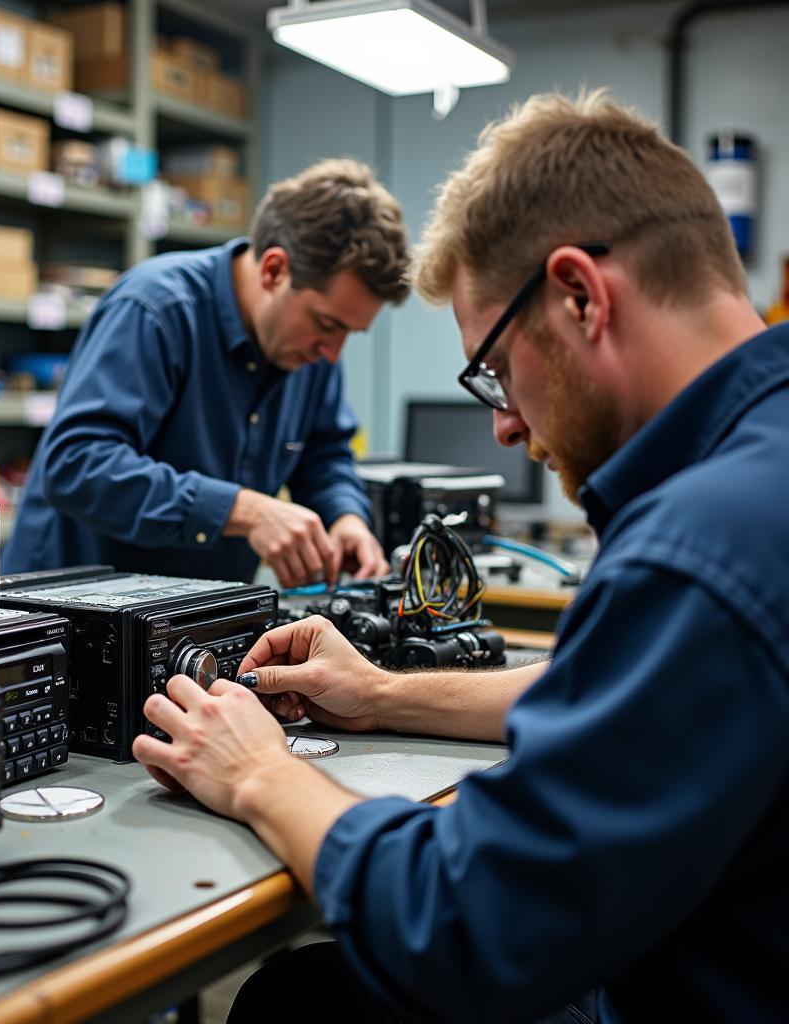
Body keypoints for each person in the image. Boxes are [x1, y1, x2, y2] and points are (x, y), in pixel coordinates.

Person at [132, 89, 789, 1022]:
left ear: (580, 295)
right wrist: (384, 694)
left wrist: (262, 775)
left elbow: (468, 924)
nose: (505, 420)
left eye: (495, 367)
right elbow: (618, 688)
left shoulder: (699, 546)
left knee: (299, 1005)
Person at [2, 159, 409, 588]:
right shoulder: (156, 311)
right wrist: (245, 511)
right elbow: (76, 464)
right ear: (274, 270)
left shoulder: (311, 350)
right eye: (328, 324)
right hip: (71, 612)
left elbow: (323, 455)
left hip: (191, 621)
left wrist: (345, 516)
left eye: (350, 331)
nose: (333, 351)